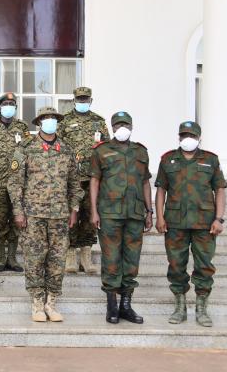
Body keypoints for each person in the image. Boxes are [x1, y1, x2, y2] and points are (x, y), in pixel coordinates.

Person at [8, 106, 82, 322]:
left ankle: (52, 303)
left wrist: (74, 208)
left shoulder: (67, 149)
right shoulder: (25, 148)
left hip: (60, 215)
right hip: (33, 215)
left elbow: (75, 185)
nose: (50, 121)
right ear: (39, 122)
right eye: (46, 118)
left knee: (57, 260)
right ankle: (37, 303)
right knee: (34, 259)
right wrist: (18, 212)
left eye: (54, 118)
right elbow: (14, 183)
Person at [154, 121, 227, 328]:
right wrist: (159, 217)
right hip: (175, 223)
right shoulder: (168, 159)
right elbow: (161, 190)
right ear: (179, 137)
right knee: (176, 265)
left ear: (199, 138)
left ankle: (202, 308)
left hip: (205, 223)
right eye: (184, 135)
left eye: (192, 135)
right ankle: (180, 307)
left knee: (204, 266)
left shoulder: (211, 160)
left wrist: (219, 218)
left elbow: (220, 189)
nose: (188, 139)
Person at [89, 111, 153, 324]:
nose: (121, 128)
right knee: (111, 258)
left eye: (125, 124)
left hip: (134, 213)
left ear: (131, 126)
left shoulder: (140, 152)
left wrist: (149, 211)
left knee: (131, 260)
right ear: (112, 127)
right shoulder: (102, 151)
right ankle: (112, 306)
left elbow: (145, 182)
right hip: (109, 213)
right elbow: (95, 182)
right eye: (118, 125)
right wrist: (94, 211)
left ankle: (126, 305)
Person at [58, 86, 110, 274]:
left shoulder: (99, 121)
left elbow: (106, 148)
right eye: (79, 99)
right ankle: (71, 255)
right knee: (70, 216)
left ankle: (86, 255)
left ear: (90, 100)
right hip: (71, 178)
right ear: (74, 100)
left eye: (85, 99)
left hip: (93, 178)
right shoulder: (64, 122)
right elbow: (58, 147)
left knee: (90, 216)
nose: (82, 102)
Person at [0, 92, 29, 273]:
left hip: (18, 183)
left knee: (16, 219)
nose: (8, 106)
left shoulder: (22, 127)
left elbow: (27, 152)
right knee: (0, 220)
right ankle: (0, 257)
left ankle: (12, 257)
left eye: (12, 103)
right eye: (5, 103)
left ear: (15, 107)